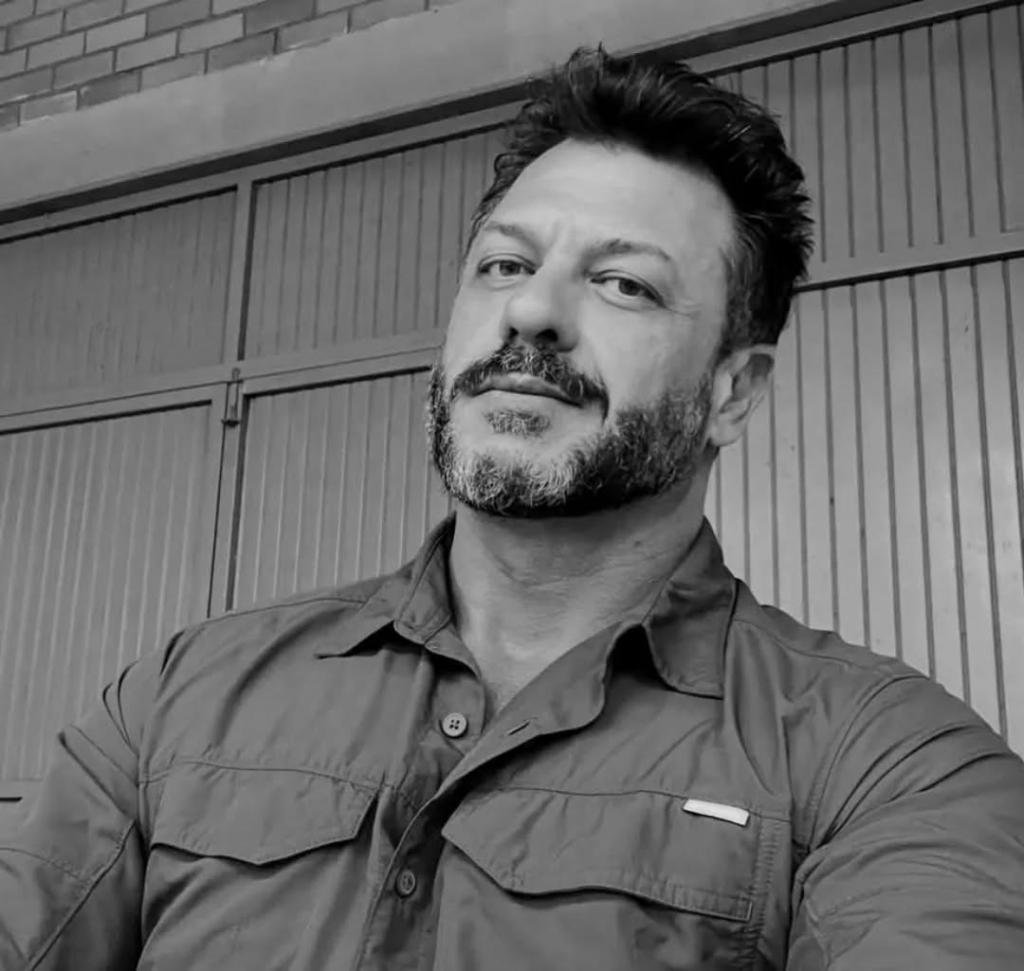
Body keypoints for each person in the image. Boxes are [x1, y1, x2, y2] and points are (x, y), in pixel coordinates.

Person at [1, 46, 1022, 971]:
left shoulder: (891, 766)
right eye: (504, 265)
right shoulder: (181, 695)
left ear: (734, 391)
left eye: (623, 284)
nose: (532, 311)